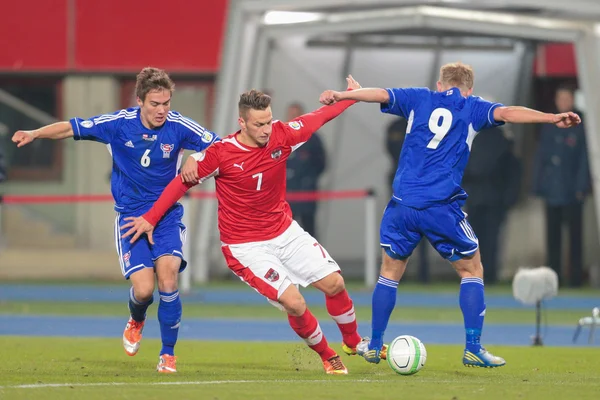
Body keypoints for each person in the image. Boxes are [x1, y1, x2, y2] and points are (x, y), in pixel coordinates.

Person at [320, 62, 581, 368]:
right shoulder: (472, 107)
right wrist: (552, 118)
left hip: (403, 203)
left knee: (389, 272)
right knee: (471, 269)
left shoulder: (419, 97)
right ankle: (473, 347)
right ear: (469, 88)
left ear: (440, 84)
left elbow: (379, 94)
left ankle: (375, 344)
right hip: (440, 206)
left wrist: (343, 94)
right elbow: (508, 112)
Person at [121, 77, 378, 375]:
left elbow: (321, 116)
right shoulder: (220, 154)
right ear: (241, 122)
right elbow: (179, 184)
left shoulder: (282, 135)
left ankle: (353, 341)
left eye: (268, 121)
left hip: (284, 231)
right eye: (259, 124)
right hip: (246, 247)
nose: (266, 130)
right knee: (294, 303)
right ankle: (327, 355)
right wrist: (151, 218)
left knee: (335, 283)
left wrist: (353, 95)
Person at [11, 67, 219, 373]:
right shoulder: (118, 124)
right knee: (145, 290)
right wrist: (35, 133)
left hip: (165, 216)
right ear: (139, 101)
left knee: (169, 278)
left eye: (166, 104)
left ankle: (168, 354)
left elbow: (221, 147)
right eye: (154, 104)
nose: (162, 111)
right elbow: (71, 127)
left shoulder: (179, 126)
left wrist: (197, 157)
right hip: (131, 218)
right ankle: (136, 318)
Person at [532, 84, 590, 288]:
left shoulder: (581, 124)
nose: (564, 102)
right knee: (552, 238)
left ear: (572, 100)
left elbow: (585, 158)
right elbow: (540, 157)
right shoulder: (549, 123)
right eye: (560, 98)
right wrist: (538, 185)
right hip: (552, 189)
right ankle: (553, 279)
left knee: (575, 238)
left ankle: (575, 279)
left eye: (567, 98)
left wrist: (582, 186)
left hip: (573, 191)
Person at [462, 125, 521, 284]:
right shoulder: (504, 141)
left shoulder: (473, 138)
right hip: (495, 197)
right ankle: (489, 274)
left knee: (473, 239)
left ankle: (474, 273)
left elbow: (463, 169)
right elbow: (513, 172)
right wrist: (509, 198)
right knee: (492, 239)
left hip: (476, 197)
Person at [285, 102, 327, 239]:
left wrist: (308, 179)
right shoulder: (281, 138)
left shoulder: (313, 139)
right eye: (291, 115)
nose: (293, 118)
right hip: (286, 192)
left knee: (309, 228)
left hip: (306, 191)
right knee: (285, 229)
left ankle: (314, 258)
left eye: (296, 115)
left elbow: (321, 164)